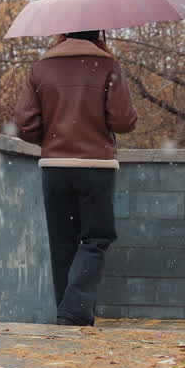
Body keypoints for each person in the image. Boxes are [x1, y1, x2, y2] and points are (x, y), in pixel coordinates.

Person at [14, 30, 138, 326]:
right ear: (99, 32)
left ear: (63, 31)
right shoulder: (108, 66)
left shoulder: (41, 68)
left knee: (62, 242)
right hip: (96, 167)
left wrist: (55, 138)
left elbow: (24, 124)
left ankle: (67, 313)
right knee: (96, 238)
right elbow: (124, 121)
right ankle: (74, 312)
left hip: (55, 167)